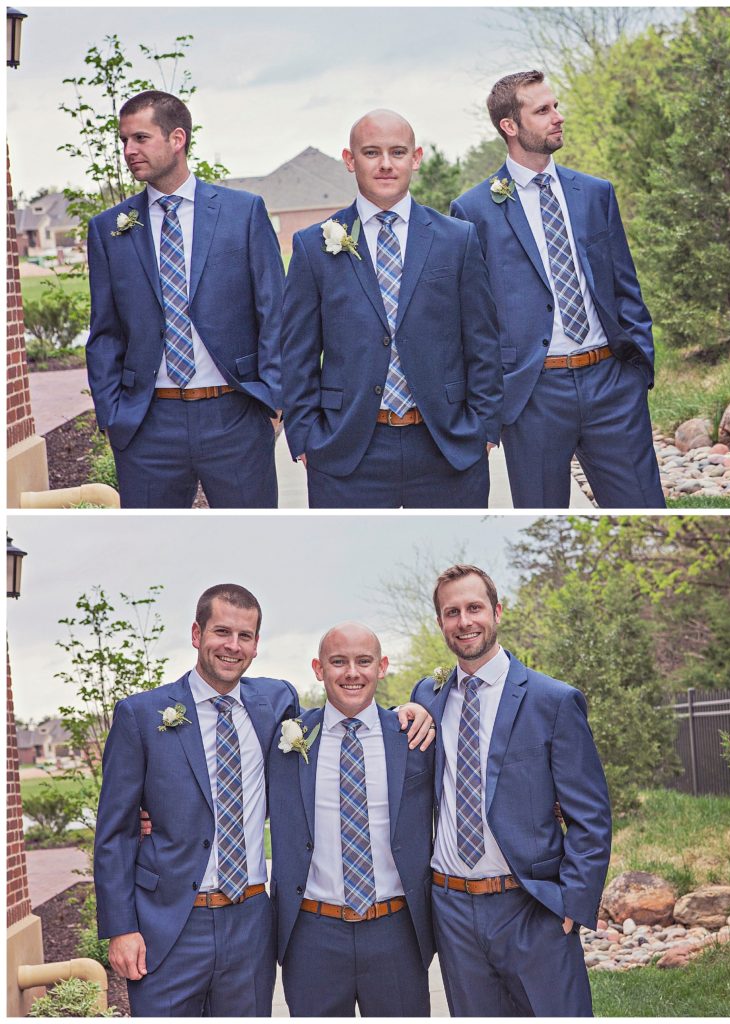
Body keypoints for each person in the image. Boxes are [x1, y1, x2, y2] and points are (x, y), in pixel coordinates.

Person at [99, 587, 434, 1017]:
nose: (232, 646)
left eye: (244, 635)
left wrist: (413, 708)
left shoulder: (274, 707)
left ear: (257, 645)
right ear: (197, 633)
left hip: (252, 922)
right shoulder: (141, 716)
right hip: (170, 924)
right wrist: (121, 928)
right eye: (221, 632)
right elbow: (114, 833)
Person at [452, 71, 666, 509]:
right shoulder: (472, 211)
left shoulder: (595, 193)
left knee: (643, 511)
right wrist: (493, 397)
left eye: (556, 106)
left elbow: (626, 286)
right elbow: (472, 318)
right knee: (541, 516)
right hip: (533, 395)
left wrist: (637, 367)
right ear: (509, 126)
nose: (558, 117)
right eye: (543, 110)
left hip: (611, 383)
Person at [411, 564, 612, 1017]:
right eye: (452, 612)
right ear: (441, 622)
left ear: (497, 612)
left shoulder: (552, 700)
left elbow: (591, 815)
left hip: (531, 906)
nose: (465, 621)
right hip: (453, 909)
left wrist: (573, 901)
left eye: (474, 608)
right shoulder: (429, 695)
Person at [280, 109, 503, 508]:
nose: (385, 164)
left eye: (397, 152)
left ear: (415, 158)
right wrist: (306, 436)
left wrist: (483, 429)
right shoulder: (314, 246)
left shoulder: (457, 239)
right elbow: (298, 352)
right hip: (347, 450)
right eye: (371, 152)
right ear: (350, 160)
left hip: (446, 445)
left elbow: (482, 342)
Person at [86, 90, 284, 508]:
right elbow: (104, 332)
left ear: (177, 139)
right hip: (147, 423)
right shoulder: (109, 229)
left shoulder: (243, 212)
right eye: (124, 141)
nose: (128, 150)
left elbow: (275, 311)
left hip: (234, 414)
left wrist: (275, 399)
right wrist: (112, 416)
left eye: (140, 138)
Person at [268, 622, 435, 1016]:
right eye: (338, 661)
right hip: (312, 934)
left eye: (364, 661)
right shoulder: (285, 741)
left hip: (396, 930)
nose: (352, 673)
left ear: (382, 666)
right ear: (318, 668)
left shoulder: (413, 736)